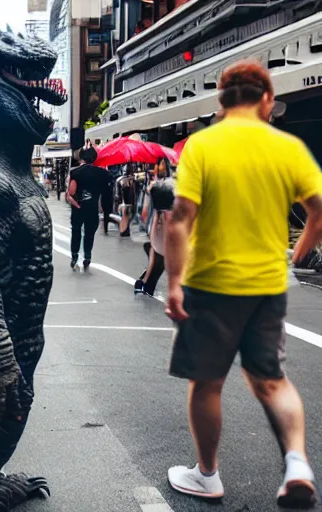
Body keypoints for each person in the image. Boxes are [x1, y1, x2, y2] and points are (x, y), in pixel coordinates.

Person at [164, 60, 322, 508]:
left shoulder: (203, 146)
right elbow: (319, 210)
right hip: (267, 286)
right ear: (267, 99)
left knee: (207, 382)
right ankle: (296, 463)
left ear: (221, 100)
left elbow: (179, 219)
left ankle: (207, 475)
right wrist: (298, 253)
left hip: (211, 283)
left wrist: (174, 282)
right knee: (272, 380)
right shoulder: (287, 147)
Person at [135, 158, 174, 296]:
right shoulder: (168, 186)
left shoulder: (160, 186)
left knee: (157, 255)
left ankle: (145, 282)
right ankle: (146, 282)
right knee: (158, 255)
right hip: (164, 223)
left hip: (162, 223)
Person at [67, 146, 110, 270]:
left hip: (78, 208)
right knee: (89, 233)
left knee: (76, 231)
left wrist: (73, 201)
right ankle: (87, 257)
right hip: (92, 208)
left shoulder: (75, 172)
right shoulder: (102, 173)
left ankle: (74, 255)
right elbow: (105, 193)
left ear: (81, 157)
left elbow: (72, 191)